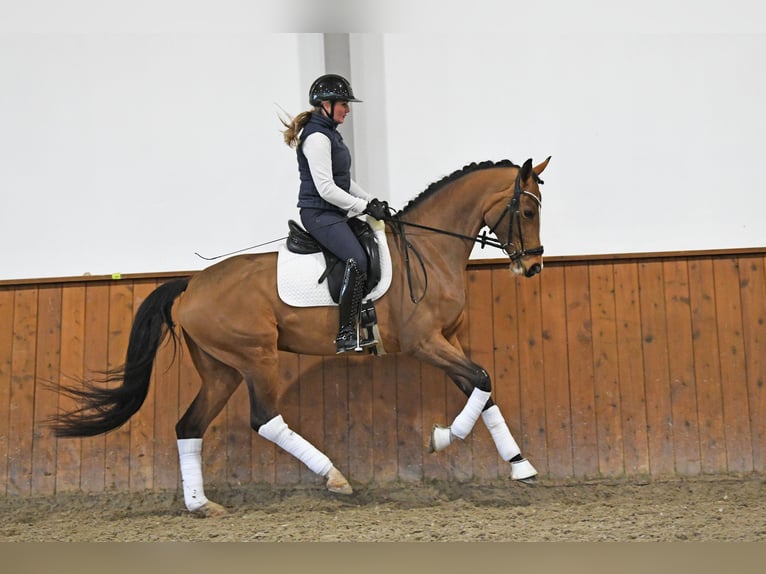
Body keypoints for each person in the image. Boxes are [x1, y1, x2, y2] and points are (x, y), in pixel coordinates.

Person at [281, 73, 390, 353]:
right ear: (326, 104)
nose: (348, 109)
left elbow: (343, 180)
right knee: (357, 260)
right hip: (319, 214)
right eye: (343, 103)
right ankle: (345, 333)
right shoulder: (317, 138)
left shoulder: (330, 134)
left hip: (333, 212)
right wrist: (362, 207)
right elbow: (326, 188)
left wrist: (369, 199)